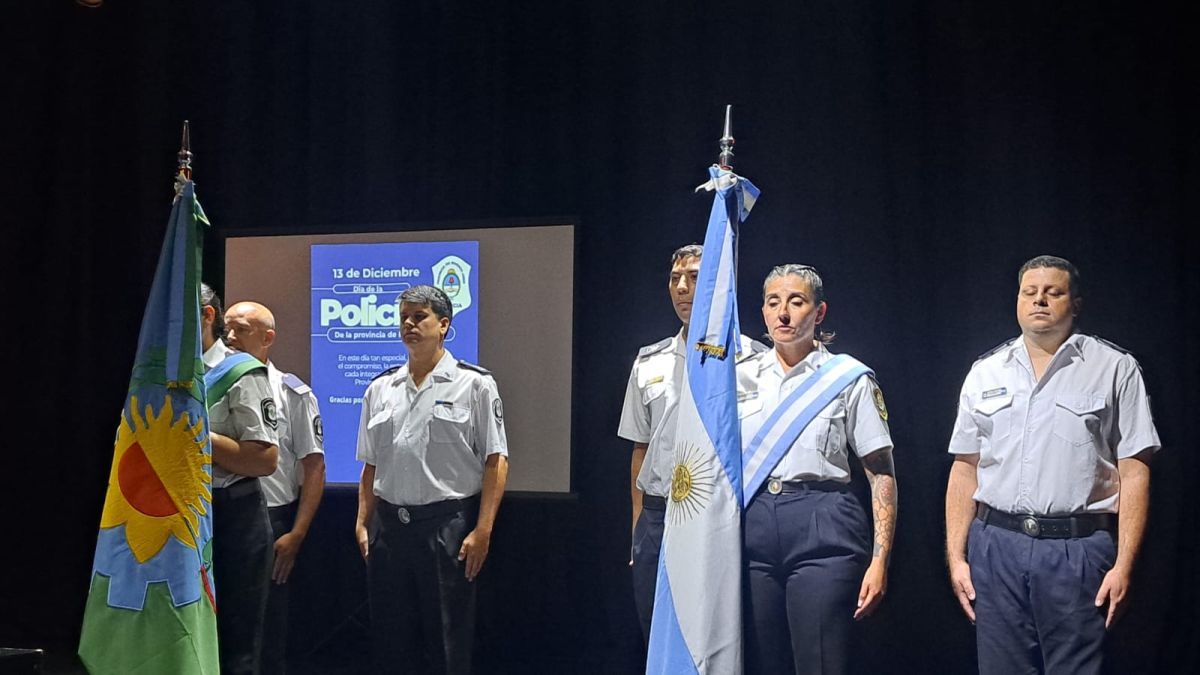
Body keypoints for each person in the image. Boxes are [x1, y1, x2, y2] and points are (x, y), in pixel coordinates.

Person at [944, 255, 1160, 675]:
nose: (1039, 300)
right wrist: (956, 556)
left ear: (1075, 303)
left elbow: (1135, 469)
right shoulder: (986, 371)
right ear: (1017, 300)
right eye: (1030, 292)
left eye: (1053, 292)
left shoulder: (1114, 368)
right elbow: (964, 467)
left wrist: (1124, 565)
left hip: (1076, 550)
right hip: (996, 547)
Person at [736, 264, 898, 675]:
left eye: (796, 301)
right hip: (751, 531)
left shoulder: (847, 378)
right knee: (760, 661)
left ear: (819, 312)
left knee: (821, 661)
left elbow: (881, 472)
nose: (784, 314)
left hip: (823, 528)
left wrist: (880, 559)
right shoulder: (738, 377)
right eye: (774, 302)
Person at [354, 285, 509, 675]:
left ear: (443, 324)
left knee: (445, 641)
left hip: (446, 527)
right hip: (389, 528)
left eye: (419, 316)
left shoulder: (474, 384)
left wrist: (483, 531)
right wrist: (362, 521)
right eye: (403, 316)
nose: (409, 324)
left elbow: (496, 460)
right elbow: (370, 464)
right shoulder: (380, 388)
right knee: (391, 641)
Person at [617, 243, 765, 645]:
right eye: (675, 278)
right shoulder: (649, 361)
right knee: (657, 634)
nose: (682, 287)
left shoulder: (754, 361)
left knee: (716, 639)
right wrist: (638, 529)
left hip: (719, 516)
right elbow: (640, 450)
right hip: (658, 515)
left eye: (696, 277)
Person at [224, 301, 326, 675]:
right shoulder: (209, 385)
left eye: (242, 330)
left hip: (271, 519)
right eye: (227, 329)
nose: (231, 338)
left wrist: (297, 533)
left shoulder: (291, 393)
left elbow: (313, 467)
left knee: (263, 628)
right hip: (218, 514)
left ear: (268, 339)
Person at [200, 283, 280, 675]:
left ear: (207, 316)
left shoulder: (240, 372)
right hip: (181, 517)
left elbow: (264, 460)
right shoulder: (165, 373)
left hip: (232, 516)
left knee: (235, 643)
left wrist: (197, 434)